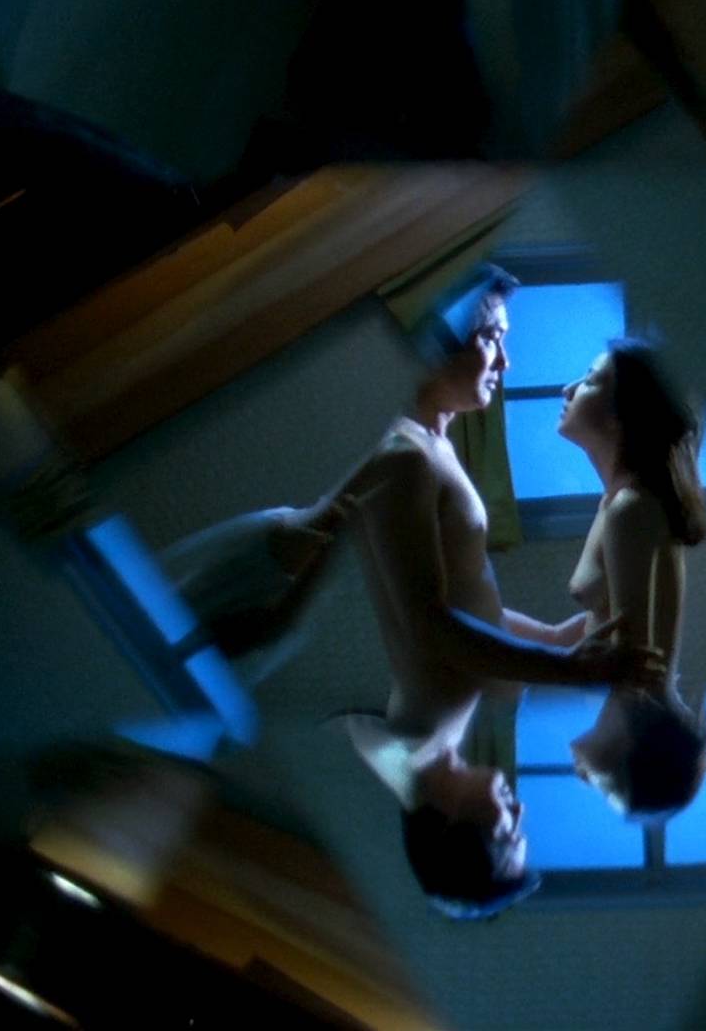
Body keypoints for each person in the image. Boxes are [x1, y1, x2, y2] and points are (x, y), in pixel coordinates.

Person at [201, 265, 664, 918]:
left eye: (507, 834)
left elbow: (436, 623)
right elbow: (444, 618)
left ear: (448, 824)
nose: (520, 813)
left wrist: (565, 658)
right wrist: (564, 649)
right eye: (494, 338)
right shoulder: (413, 452)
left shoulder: (408, 742)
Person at [513, 340, 706, 820]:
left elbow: (629, 655)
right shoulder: (623, 503)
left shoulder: (631, 508)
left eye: (588, 380)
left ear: (620, 418)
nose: (567, 389)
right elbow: (607, 642)